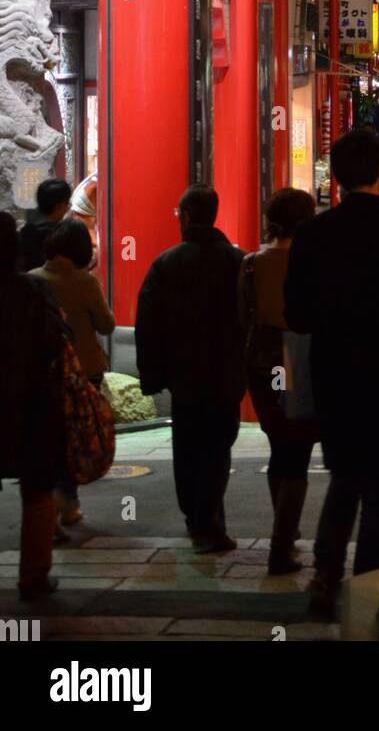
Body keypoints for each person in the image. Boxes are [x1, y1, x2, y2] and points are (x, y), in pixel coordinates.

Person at [285, 127, 379, 618]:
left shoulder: (311, 235)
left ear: (340, 179)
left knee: (345, 477)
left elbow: (298, 316)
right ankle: (370, 586)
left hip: (335, 378)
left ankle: (326, 576)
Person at [136, 184, 246, 554]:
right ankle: (207, 521)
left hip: (183, 376)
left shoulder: (166, 263)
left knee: (188, 447)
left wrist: (151, 375)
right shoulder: (237, 261)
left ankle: (198, 519)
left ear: (184, 217)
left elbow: (147, 323)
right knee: (218, 446)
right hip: (227, 372)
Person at [239, 188, 317, 576]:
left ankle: (284, 531)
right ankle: (282, 544)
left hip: (262, 356)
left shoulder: (251, 263)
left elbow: (243, 316)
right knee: (297, 452)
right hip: (299, 354)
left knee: (278, 446)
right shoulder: (313, 262)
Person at [30, 218, 115, 530]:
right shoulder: (85, 282)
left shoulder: (32, 280)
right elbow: (106, 325)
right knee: (75, 436)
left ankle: (56, 503)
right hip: (84, 371)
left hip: (42, 373)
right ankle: (66, 502)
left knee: (50, 438)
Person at [0, 211, 67, 598]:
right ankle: (33, 576)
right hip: (29, 402)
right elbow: (55, 342)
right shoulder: (31, 290)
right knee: (37, 488)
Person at [18, 177, 71, 272]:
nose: (68, 207)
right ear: (59, 206)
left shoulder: (25, 232)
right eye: (67, 203)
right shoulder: (63, 236)